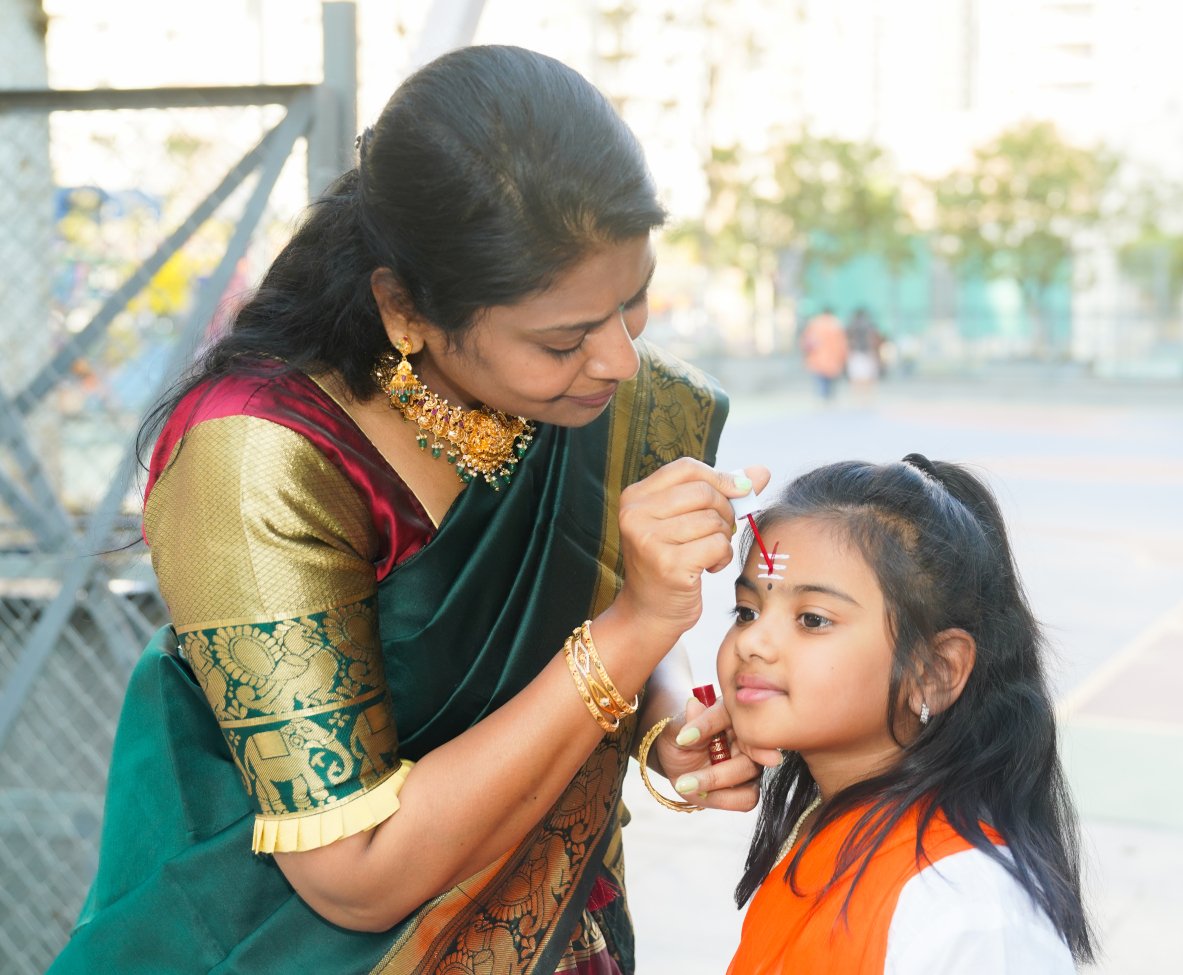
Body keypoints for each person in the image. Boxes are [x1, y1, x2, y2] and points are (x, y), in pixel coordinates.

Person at [50, 46, 768, 975]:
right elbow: (356, 875)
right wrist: (634, 631)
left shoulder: (589, 400)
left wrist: (665, 720)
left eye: (634, 302)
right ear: (405, 309)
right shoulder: (260, 456)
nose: (622, 360)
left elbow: (582, 596)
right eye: (564, 340)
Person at [677, 455, 1093, 973]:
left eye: (813, 619)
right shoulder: (825, 828)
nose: (753, 641)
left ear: (934, 671)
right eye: (746, 612)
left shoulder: (967, 910)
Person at [799, 307, 848, 402]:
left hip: (817, 357)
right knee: (831, 378)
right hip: (833, 356)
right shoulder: (836, 324)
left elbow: (807, 340)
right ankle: (828, 396)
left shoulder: (815, 323)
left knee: (820, 378)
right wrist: (843, 355)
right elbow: (842, 342)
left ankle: (822, 396)